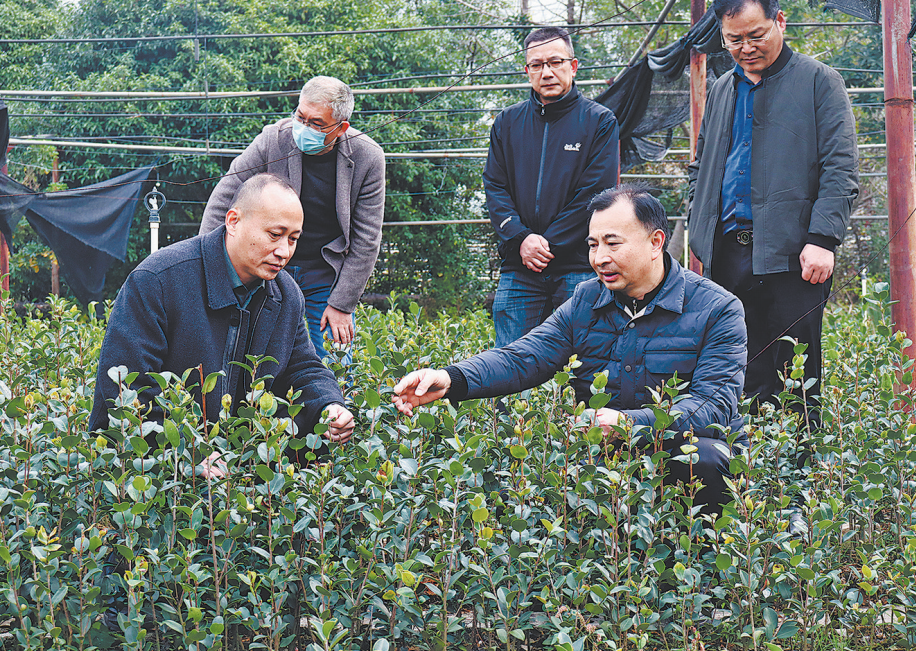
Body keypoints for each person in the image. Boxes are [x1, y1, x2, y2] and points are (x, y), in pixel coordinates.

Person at [394, 185, 747, 511]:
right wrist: (450, 379)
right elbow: (525, 357)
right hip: (605, 455)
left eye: (613, 243)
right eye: (593, 245)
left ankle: (697, 556)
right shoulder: (586, 300)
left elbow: (712, 406)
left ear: (656, 242)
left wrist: (629, 424)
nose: (600, 258)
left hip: (676, 455)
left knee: (705, 456)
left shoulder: (717, 309)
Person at [89, 173, 355, 472]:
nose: (284, 251)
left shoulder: (286, 295)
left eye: (293, 239)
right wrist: (185, 456)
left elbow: (303, 366)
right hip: (160, 471)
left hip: (241, 470)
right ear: (233, 221)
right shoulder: (159, 280)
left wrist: (329, 404)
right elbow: (125, 388)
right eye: (274, 234)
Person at [687, 0, 858, 422]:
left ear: (780, 21)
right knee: (738, 370)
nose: (746, 48)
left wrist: (823, 239)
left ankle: (798, 463)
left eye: (756, 35)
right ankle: (742, 460)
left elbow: (841, 167)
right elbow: (701, 164)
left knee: (795, 375)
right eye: (734, 40)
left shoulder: (819, 81)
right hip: (727, 253)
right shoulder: (722, 89)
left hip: (794, 254)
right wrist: (698, 222)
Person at [199, 76, 385, 360]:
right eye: (300, 117)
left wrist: (342, 305)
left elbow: (366, 239)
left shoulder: (368, 158)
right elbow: (224, 200)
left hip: (325, 274)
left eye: (316, 123)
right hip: (266, 267)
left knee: (333, 361)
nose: (304, 128)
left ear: (341, 128)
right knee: (247, 354)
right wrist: (207, 266)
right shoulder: (273, 140)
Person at [484, 26, 620, 348]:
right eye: (537, 64)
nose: (547, 72)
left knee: (582, 362)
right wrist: (521, 238)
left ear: (573, 66)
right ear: (527, 71)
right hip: (519, 268)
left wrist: (545, 245)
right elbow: (495, 186)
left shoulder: (599, 122)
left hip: (577, 266)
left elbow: (595, 194)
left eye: (555, 62)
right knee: (510, 363)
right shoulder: (507, 123)